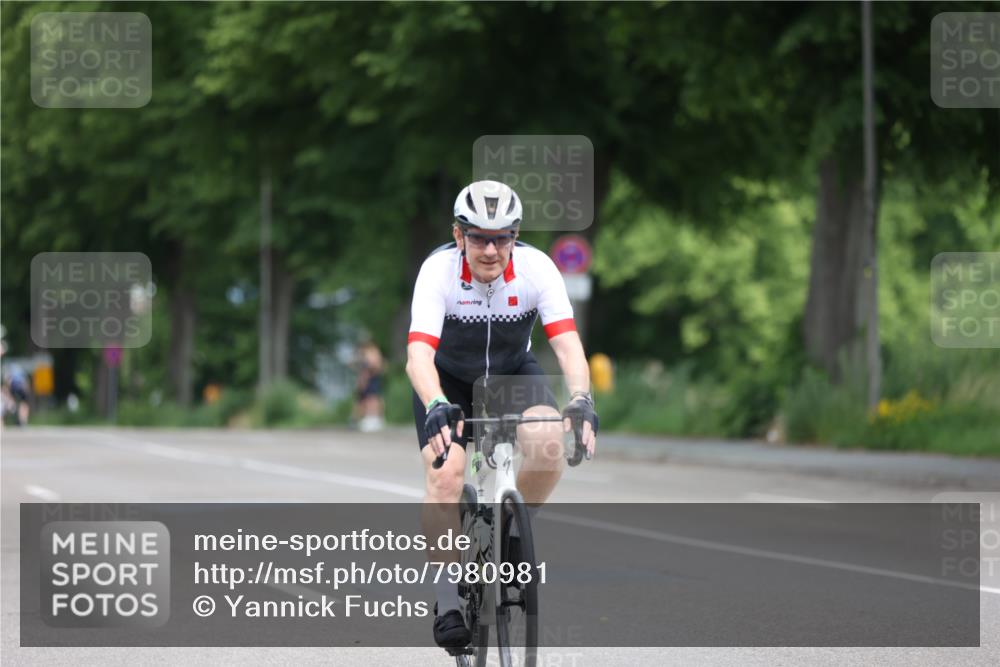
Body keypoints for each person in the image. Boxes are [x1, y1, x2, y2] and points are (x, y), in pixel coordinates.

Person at [406, 179, 599, 649]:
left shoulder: (537, 269)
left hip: (512, 375)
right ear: (459, 235)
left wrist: (581, 398)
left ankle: (512, 533)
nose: (491, 250)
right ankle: (447, 601)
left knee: (549, 443)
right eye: (478, 238)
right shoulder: (437, 272)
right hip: (448, 381)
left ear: (515, 236)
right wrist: (435, 403)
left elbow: (567, 343)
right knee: (447, 475)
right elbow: (418, 355)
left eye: (502, 238)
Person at [353, 341, 385, 432]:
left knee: (372, 398)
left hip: (372, 378)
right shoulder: (366, 353)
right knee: (364, 399)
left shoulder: (372, 352)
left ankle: (374, 419)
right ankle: (368, 418)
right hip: (366, 379)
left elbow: (376, 366)